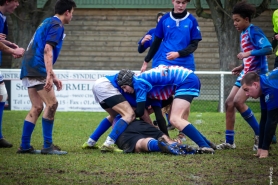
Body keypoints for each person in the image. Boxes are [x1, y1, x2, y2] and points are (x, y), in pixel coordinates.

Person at [17, 0, 77, 154]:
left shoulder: (46, 22)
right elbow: (47, 49)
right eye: (72, 13)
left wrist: (53, 75)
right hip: (38, 68)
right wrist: (49, 75)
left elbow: (40, 49)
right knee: (52, 104)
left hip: (28, 66)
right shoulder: (57, 25)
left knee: (37, 107)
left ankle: (24, 146)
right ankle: (48, 146)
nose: (72, 17)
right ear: (67, 12)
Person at [117, 66, 215, 153]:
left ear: (129, 82)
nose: (125, 91)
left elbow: (140, 111)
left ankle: (204, 146)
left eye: (125, 87)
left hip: (186, 80)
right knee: (175, 118)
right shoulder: (143, 81)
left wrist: (126, 115)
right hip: (187, 78)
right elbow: (159, 118)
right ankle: (207, 143)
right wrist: (166, 137)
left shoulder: (138, 83)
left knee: (174, 119)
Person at [216, 1, 272, 151]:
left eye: (237, 20)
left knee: (238, 102)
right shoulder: (243, 33)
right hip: (246, 71)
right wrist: (241, 66)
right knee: (229, 103)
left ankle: (261, 135)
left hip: (256, 74)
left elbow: (268, 48)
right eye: (233, 20)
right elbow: (251, 56)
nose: (235, 23)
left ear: (246, 19)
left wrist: (248, 53)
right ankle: (229, 142)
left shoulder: (254, 31)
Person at [140, 0, 201, 73]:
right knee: (163, 83)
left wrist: (178, 54)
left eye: (183, 3)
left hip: (186, 64)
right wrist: (146, 61)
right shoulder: (164, 19)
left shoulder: (192, 20)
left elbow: (194, 45)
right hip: (166, 63)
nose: (181, 5)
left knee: (187, 84)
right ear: (173, 1)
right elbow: (156, 42)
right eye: (178, 2)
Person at [0, 0, 25, 148]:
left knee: (2, 95)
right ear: (7, 1)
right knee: (2, 94)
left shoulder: (3, 17)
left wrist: (9, 44)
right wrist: (12, 51)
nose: (17, 5)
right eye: (15, 1)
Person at [241, 69, 278, 158]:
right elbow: (264, 119)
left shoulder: (270, 88)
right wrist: (260, 148)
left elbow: (272, 121)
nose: (246, 94)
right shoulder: (262, 87)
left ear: (255, 85)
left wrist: (265, 149)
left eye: (247, 90)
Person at [116, 119, 200, 155]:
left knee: (139, 144)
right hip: (140, 123)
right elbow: (159, 117)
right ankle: (174, 144)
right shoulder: (155, 95)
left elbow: (109, 119)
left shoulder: (115, 100)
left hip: (121, 130)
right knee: (160, 136)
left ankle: (158, 145)